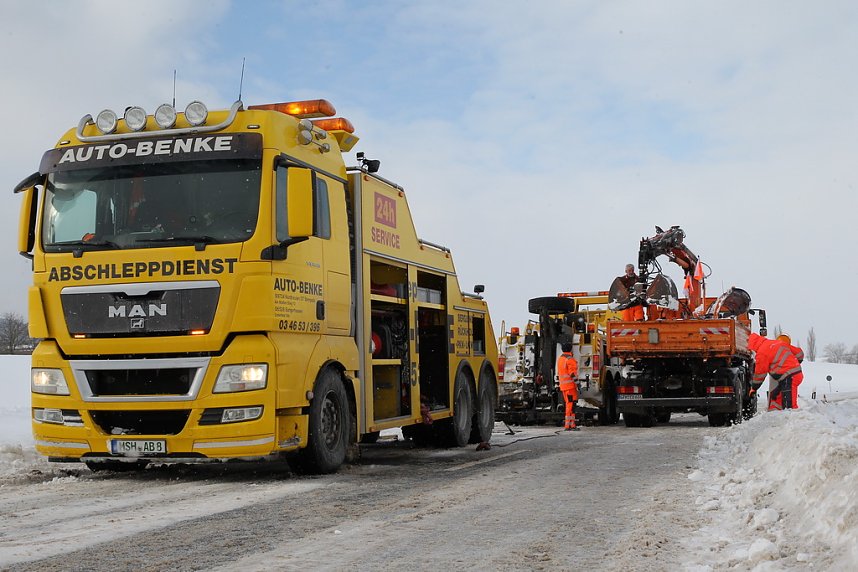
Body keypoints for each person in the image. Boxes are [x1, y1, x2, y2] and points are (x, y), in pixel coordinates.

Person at [748, 332, 804, 410]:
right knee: (776, 396)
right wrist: (794, 363)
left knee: (789, 406)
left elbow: (760, 374)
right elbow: (799, 354)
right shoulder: (777, 343)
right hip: (791, 375)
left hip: (790, 377)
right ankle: (777, 416)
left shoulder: (762, 353)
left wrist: (754, 388)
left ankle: (795, 420)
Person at [556, 341, 580, 430]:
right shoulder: (570, 359)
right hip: (570, 387)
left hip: (564, 386)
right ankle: (569, 425)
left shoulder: (560, 359)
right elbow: (572, 373)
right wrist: (578, 384)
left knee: (570, 404)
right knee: (571, 405)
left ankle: (571, 424)